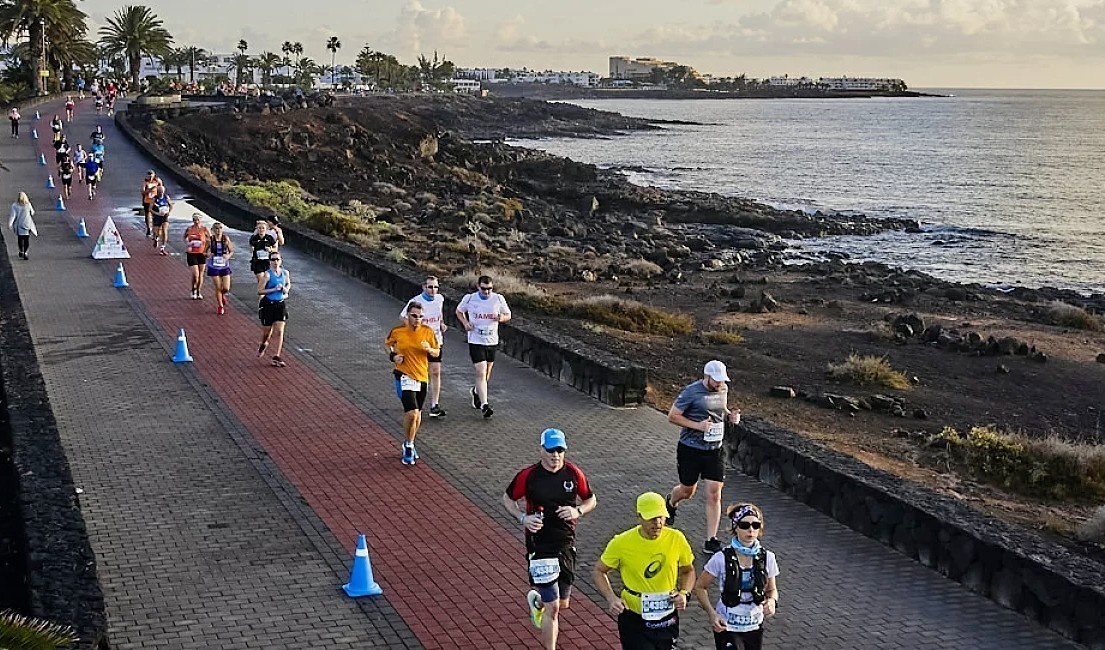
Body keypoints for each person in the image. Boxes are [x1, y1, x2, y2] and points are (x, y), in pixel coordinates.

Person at [502, 428, 597, 650]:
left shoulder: (573, 473)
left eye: (559, 450)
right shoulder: (529, 476)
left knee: (562, 603)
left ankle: (537, 604)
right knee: (553, 607)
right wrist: (523, 517)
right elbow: (507, 499)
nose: (555, 455)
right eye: (550, 450)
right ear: (541, 450)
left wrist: (579, 511)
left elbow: (591, 500)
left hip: (565, 544)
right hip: (540, 545)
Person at [594, 492, 696, 650]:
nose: (658, 523)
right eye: (652, 518)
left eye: (661, 517)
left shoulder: (676, 538)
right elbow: (599, 571)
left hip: (667, 616)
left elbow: (688, 570)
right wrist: (611, 598)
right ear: (639, 517)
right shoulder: (621, 542)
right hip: (635, 617)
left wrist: (684, 593)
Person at [665, 360, 742, 555]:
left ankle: (711, 539)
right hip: (690, 448)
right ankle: (671, 503)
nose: (719, 384)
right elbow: (673, 416)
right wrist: (698, 426)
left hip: (714, 449)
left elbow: (721, 410)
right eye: (715, 381)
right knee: (687, 491)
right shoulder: (691, 392)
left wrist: (731, 416)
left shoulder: (723, 389)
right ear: (706, 376)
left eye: (721, 381)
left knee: (714, 493)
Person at [693, 504, 780, 650]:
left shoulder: (768, 558)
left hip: (754, 624)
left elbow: (772, 589)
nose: (751, 530)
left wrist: (772, 601)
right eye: (744, 525)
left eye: (755, 525)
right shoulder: (720, 558)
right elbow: (700, 587)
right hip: (726, 625)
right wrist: (712, 614)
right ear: (735, 528)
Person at [384, 301, 440, 464]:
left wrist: (430, 350)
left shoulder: (428, 332)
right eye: (414, 316)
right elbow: (387, 344)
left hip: (422, 377)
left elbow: (437, 352)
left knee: (418, 415)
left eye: (421, 317)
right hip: (404, 375)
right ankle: (408, 446)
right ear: (408, 316)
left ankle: (410, 441)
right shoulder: (398, 331)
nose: (417, 320)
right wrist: (393, 356)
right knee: (411, 413)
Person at [455, 274, 511, 419]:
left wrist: (501, 318)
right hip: (475, 340)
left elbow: (508, 315)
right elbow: (459, 311)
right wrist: (466, 323)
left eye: (490, 289)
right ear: (478, 287)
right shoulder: (470, 298)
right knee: (481, 371)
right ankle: (485, 405)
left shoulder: (498, 299)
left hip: (491, 340)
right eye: (484, 289)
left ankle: (476, 392)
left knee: (486, 374)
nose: (487, 292)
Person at [400, 276, 448, 417]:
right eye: (430, 287)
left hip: (435, 341)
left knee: (436, 372)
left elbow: (439, 314)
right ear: (423, 287)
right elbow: (402, 316)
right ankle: (413, 401)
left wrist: (442, 324)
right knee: (419, 372)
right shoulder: (416, 301)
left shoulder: (440, 299)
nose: (433, 290)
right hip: (419, 343)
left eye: (435, 287)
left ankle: (435, 405)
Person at [256, 252, 291, 367]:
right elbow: (260, 291)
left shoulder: (285, 273)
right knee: (267, 332)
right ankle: (263, 343)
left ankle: (277, 356)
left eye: (277, 259)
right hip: (268, 305)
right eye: (273, 260)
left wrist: (285, 289)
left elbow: (288, 285)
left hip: (280, 304)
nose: (275, 262)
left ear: (281, 260)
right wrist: (273, 289)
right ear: (270, 261)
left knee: (280, 331)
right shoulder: (267, 275)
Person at [205, 223, 234, 314]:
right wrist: (208, 254)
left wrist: (228, 256)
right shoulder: (210, 240)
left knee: (226, 288)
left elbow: (232, 251)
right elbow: (204, 252)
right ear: (213, 230)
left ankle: (222, 295)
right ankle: (220, 306)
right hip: (214, 266)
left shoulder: (226, 239)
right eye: (216, 228)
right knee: (218, 287)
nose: (218, 230)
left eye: (220, 228)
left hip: (224, 265)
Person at [183, 214, 211, 299]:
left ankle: (199, 291)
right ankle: (193, 290)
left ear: (200, 220)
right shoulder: (189, 229)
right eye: (194, 219)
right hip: (191, 254)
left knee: (201, 274)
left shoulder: (204, 229)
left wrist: (206, 250)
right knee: (196, 274)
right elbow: (184, 237)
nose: (196, 221)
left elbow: (210, 240)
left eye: (198, 219)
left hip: (201, 253)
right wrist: (188, 244)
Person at [8, 192, 37, 260]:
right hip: (27, 224)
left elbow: (13, 215)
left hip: (19, 225)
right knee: (26, 239)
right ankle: (26, 252)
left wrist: (10, 224)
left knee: (20, 239)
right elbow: (32, 212)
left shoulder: (15, 205)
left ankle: (21, 251)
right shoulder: (28, 205)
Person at [150, 185, 173, 255]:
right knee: (156, 233)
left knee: (164, 231)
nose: (161, 193)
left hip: (164, 217)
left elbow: (171, 205)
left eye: (162, 192)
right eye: (159, 192)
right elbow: (150, 209)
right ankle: (156, 239)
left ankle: (162, 248)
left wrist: (168, 212)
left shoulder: (166, 197)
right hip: (157, 217)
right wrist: (157, 213)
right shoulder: (154, 198)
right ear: (157, 192)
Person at [140, 171, 160, 237]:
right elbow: (142, 192)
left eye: (151, 175)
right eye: (149, 176)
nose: (150, 177)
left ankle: (156, 228)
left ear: (154, 175)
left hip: (155, 201)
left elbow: (161, 188)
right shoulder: (145, 183)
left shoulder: (157, 181)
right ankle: (149, 228)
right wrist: (149, 190)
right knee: (147, 215)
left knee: (156, 215)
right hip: (147, 201)